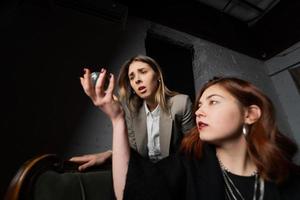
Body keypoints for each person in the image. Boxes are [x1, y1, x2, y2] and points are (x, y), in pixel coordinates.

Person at [84, 72, 300, 200]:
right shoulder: (188, 163)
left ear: (250, 114)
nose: (198, 111)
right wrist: (117, 119)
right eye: (199, 105)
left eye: (213, 101)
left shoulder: (289, 176)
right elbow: (130, 193)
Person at [70, 55, 195, 170]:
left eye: (143, 72)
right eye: (132, 77)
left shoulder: (181, 103)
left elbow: (191, 150)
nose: (137, 80)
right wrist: (109, 155)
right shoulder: (131, 111)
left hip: (176, 172)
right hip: (145, 175)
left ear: (158, 76)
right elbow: (132, 153)